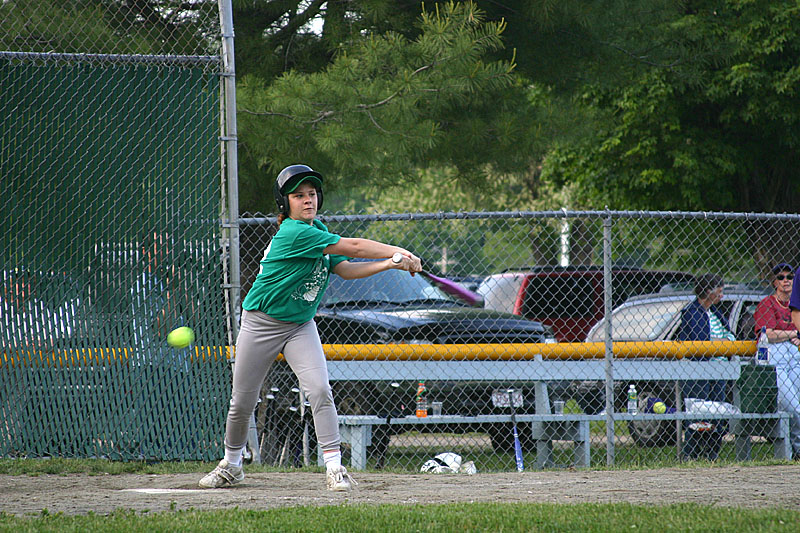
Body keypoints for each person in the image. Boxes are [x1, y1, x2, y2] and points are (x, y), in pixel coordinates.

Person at [199, 164, 422, 491]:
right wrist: (399, 251)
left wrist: (390, 264)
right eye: (298, 195)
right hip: (261, 322)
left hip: (300, 324)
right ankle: (231, 464)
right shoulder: (294, 232)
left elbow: (345, 269)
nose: (308, 200)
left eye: (312, 194)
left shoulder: (317, 228)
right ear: (285, 203)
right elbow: (355, 247)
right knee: (243, 400)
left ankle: (334, 468)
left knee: (319, 389)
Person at [676, 273, 735, 461]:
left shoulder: (715, 312)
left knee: (717, 412)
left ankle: (712, 454)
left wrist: (723, 343)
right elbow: (699, 342)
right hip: (699, 370)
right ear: (708, 291)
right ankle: (691, 454)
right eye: (720, 291)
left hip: (719, 369)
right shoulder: (692, 312)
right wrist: (721, 343)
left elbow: (731, 336)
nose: (722, 295)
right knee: (699, 413)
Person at [763, 263, 800, 460]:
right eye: (780, 277)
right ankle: (798, 449)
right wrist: (794, 333)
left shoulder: (797, 305)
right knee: (793, 407)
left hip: (795, 354)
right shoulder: (767, 304)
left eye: (790, 276)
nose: (786, 280)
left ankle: (796, 450)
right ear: (774, 282)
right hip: (776, 355)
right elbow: (768, 334)